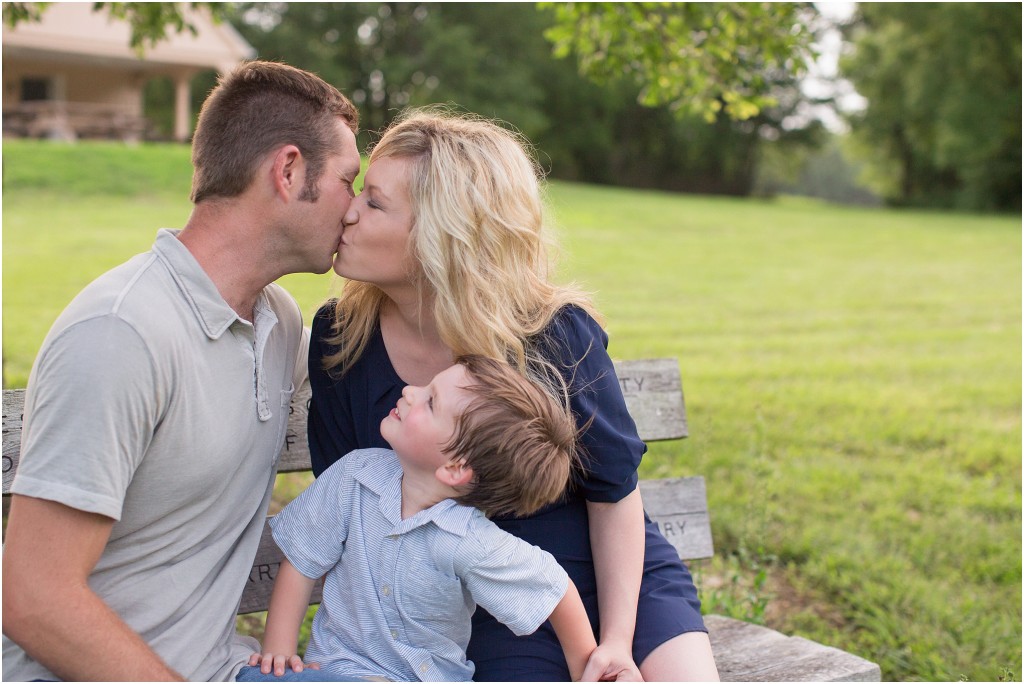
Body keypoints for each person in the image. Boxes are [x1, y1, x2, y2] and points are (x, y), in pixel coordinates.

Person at [307, 109, 721, 682]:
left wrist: (618, 646)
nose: (348, 211)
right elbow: (350, 509)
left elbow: (613, 492)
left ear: (440, 235)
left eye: (375, 202)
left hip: (619, 583)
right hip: (482, 607)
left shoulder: (552, 334)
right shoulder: (342, 339)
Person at [2, 60, 362, 682]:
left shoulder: (276, 321)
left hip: (222, 667)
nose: (354, 209)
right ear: (288, 171)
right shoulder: (121, 333)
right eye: (349, 181)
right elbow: (33, 597)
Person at [240, 355, 597, 682]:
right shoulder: (354, 478)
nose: (409, 392)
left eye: (430, 402)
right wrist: (280, 655)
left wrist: (586, 672)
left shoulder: (470, 543)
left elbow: (554, 589)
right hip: (336, 671)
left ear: (454, 467)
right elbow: (302, 561)